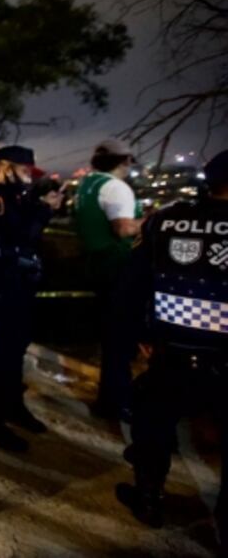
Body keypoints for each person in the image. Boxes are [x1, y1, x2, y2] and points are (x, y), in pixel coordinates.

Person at [115, 150, 228, 549]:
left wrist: (140, 335)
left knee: (154, 426)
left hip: (171, 349)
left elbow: (133, 284)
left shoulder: (166, 219)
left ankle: (149, 499)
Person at [0, 145, 61, 452]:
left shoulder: (13, 198)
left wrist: (41, 206)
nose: (27, 177)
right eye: (23, 171)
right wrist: (44, 211)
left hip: (20, 283)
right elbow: (20, 236)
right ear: (5, 168)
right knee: (4, 353)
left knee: (16, 348)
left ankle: (12, 406)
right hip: (3, 284)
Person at [73, 139, 142, 421]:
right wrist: (149, 222)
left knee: (111, 336)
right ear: (123, 161)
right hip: (117, 266)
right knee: (121, 339)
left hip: (95, 265)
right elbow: (124, 229)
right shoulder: (116, 187)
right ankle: (116, 403)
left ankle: (109, 398)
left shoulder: (87, 184)